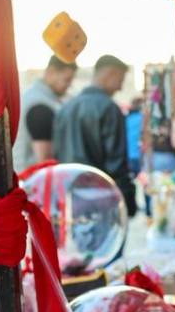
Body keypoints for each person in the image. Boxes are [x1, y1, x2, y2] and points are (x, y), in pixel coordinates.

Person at [53, 54, 138, 216]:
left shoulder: (66, 108)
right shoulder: (109, 108)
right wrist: (127, 200)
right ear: (110, 74)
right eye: (120, 80)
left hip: (70, 195)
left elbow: (56, 154)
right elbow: (116, 162)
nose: (120, 88)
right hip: (101, 198)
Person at [12, 54, 77, 170]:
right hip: (34, 178)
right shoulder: (40, 106)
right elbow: (45, 161)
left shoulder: (32, 96)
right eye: (67, 80)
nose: (69, 86)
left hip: (27, 175)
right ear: (51, 72)